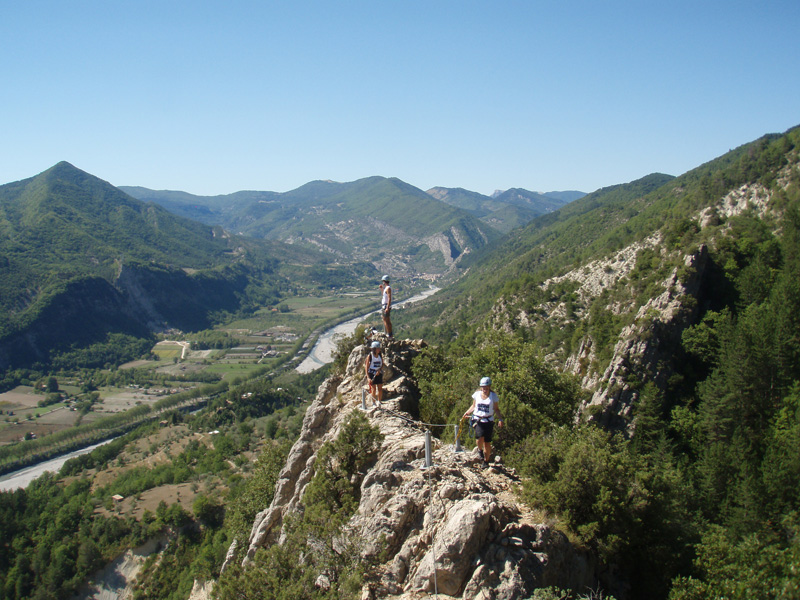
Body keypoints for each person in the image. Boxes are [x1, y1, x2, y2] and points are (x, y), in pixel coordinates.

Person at [461, 377, 504, 469]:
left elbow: (496, 409)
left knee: (487, 443)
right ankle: (479, 451)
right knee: (479, 437)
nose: (485, 390)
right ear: (481, 387)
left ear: (489, 387)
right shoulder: (477, 395)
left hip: (488, 421)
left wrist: (500, 419)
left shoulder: (493, 396)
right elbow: (473, 406)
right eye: (483, 388)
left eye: (486, 388)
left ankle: (486, 461)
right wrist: (467, 412)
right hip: (478, 419)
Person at [365, 341, 384, 406]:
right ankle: (373, 402)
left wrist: (380, 370)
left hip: (378, 373)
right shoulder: (370, 356)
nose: (379, 349)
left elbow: (382, 364)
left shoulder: (380, 355)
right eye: (378, 348)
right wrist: (368, 377)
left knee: (380, 388)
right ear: (374, 349)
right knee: (373, 389)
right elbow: (366, 367)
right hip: (372, 373)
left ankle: (379, 401)